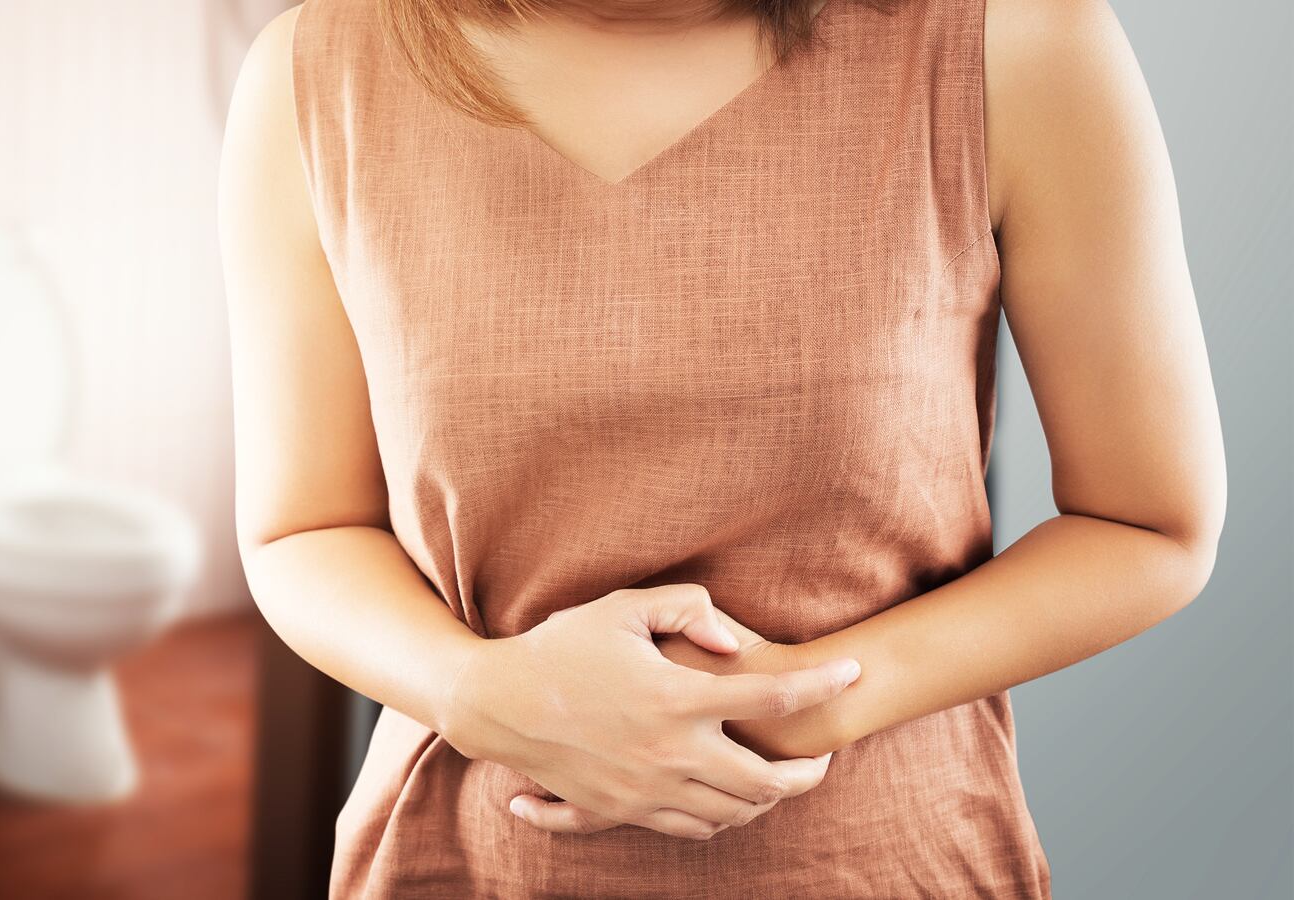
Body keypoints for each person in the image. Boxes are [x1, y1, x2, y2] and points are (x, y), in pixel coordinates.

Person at [216, 0, 1226, 895]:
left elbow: (1147, 524)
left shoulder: (1017, 42)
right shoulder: (313, 73)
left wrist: (799, 705)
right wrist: (473, 693)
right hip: (468, 858)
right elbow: (304, 529)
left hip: (883, 858)